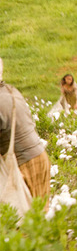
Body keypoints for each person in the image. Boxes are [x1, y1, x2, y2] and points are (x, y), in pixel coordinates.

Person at [0, 57, 51, 209]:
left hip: (24, 164)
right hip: (38, 157)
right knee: (37, 216)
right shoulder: (10, 90)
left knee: (24, 220)